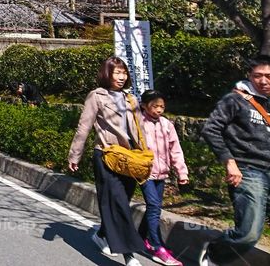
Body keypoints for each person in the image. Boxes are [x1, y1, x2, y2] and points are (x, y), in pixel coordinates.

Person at [68, 56, 145, 266]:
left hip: (129, 159)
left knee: (120, 201)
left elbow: (139, 130)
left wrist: (146, 155)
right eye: (116, 72)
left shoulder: (131, 99)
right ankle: (129, 254)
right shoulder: (96, 96)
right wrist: (75, 155)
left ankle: (101, 234)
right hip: (106, 156)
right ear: (107, 73)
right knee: (118, 202)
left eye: (124, 73)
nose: (121, 77)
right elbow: (84, 126)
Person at [199, 56, 270, 266]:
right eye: (258, 76)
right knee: (248, 233)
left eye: (268, 76)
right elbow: (211, 129)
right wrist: (229, 161)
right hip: (248, 169)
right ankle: (215, 252)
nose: (264, 81)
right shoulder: (235, 99)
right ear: (249, 76)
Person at [137, 90, 188, 266]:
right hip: (145, 173)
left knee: (154, 207)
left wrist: (182, 172)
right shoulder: (137, 123)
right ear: (144, 106)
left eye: (162, 107)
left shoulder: (166, 124)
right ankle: (158, 247)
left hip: (162, 173)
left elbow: (176, 149)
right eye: (155, 106)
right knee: (154, 207)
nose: (159, 110)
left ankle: (140, 239)